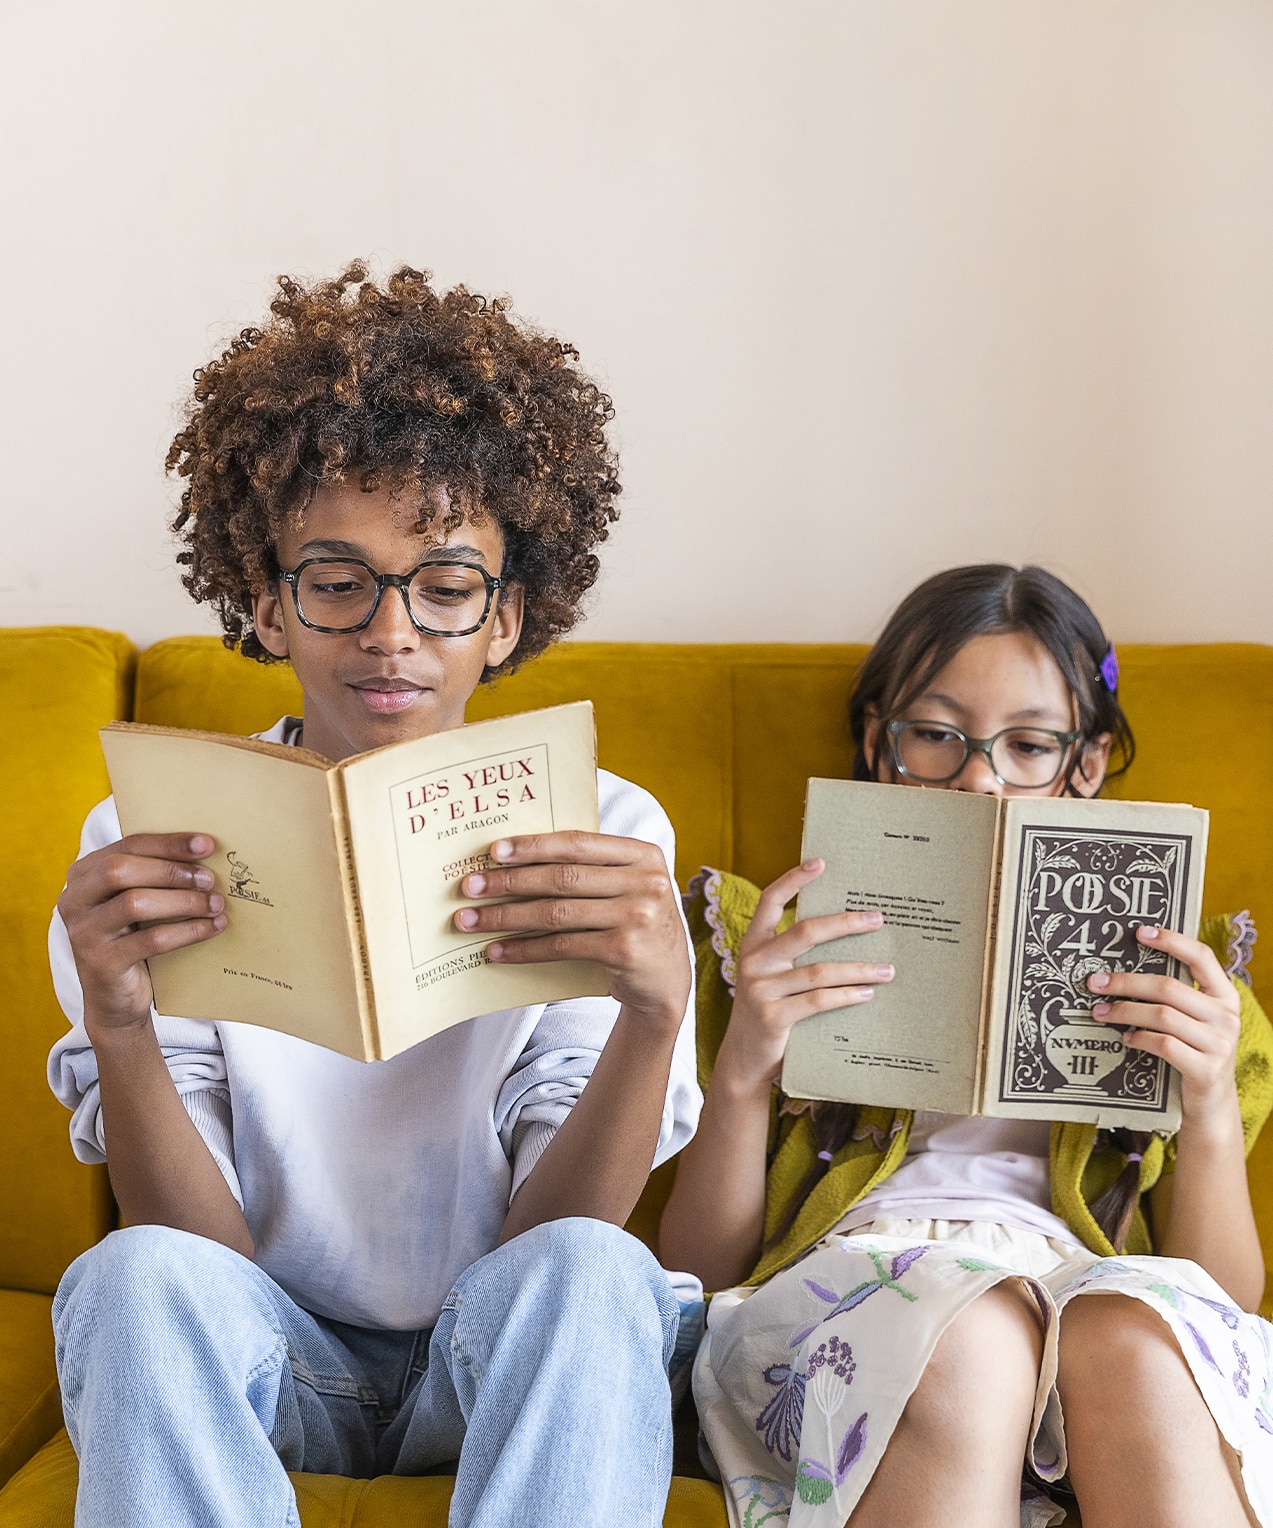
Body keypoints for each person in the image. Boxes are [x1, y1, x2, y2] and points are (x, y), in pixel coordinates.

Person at [48, 263, 701, 1528]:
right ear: (266, 603)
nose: (390, 633)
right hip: (272, 1344)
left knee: (595, 1267)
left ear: (506, 617)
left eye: (444, 586)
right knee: (129, 1280)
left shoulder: (607, 829)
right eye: (336, 581)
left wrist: (654, 1017)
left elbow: (549, 1253)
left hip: (489, 1351)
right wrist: (121, 1029)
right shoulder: (147, 834)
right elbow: (195, 1265)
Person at [661, 564, 1273, 1528]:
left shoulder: (1186, 982)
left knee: (1138, 1336)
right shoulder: (757, 945)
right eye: (936, 736)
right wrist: (744, 1068)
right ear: (877, 740)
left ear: (1087, 762)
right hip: (849, 1294)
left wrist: (1200, 1113)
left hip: (1085, 1292)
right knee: (977, 1330)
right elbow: (697, 1268)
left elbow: (1224, 1299)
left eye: (1027, 745)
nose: (979, 775)